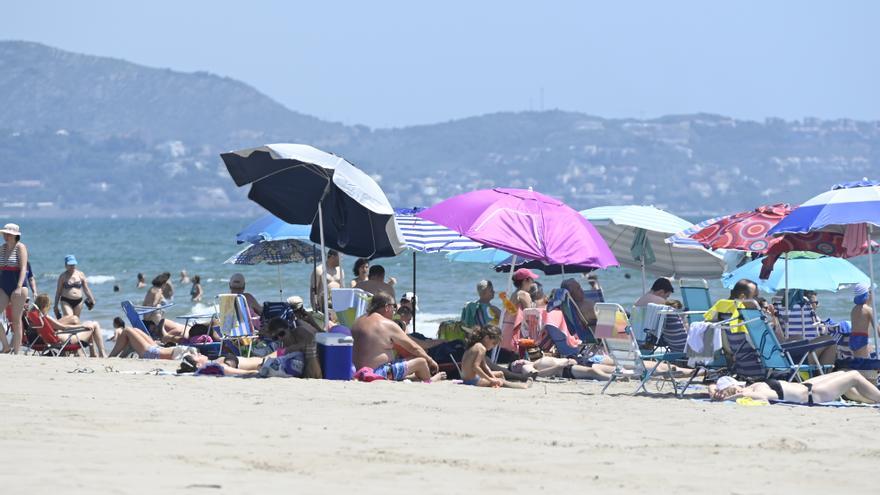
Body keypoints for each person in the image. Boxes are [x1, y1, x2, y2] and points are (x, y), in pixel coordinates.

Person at [351, 292, 444, 382]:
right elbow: (413, 348)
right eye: (394, 307)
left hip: (356, 371)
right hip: (378, 372)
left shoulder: (357, 321)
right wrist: (431, 361)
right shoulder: (387, 323)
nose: (394, 311)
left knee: (411, 360)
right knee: (421, 362)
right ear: (387, 307)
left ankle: (415, 377)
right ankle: (430, 380)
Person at [709, 371, 880, 405]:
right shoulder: (748, 392)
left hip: (807, 386)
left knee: (843, 374)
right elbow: (764, 399)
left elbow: (711, 386)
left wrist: (716, 392)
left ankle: (870, 401)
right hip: (814, 394)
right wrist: (728, 398)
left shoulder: (751, 386)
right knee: (854, 376)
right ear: (733, 387)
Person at [33, 293, 107, 357]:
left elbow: (57, 327)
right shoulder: (45, 317)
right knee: (94, 324)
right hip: (65, 340)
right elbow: (64, 328)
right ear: (45, 305)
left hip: (57, 339)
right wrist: (82, 326)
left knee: (87, 324)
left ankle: (93, 353)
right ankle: (102, 354)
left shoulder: (37, 316)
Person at [460, 326, 529, 388]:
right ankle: (522, 386)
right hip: (473, 381)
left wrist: (493, 377)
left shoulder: (475, 345)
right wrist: (490, 380)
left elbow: (485, 366)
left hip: (466, 379)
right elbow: (475, 367)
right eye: (493, 343)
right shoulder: (481, 348)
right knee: (500, 381)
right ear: (486, 338)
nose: (494, 346)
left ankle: (502, 386)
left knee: (500, 373)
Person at [0, 223, 28, 354]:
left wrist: (18, 287)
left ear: (15, 235)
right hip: (4, 285)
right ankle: (5, 346)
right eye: (5, 233)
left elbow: (23, 268)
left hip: (18, 286)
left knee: (16, 320)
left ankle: (17, 352)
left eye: (8, 234)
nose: (6, 236)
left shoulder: (20, 247)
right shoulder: (2, 248)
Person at [108, 326, 197, 360]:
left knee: (127, 330)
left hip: (152, 353)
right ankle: (126, 351)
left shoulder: (190, 346)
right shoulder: (192, 346)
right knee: (135, 329)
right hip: (159, 349)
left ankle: (111, 356)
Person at [508, 356, 614, 381]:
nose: (517, 363)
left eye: (515, 362)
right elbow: (537, 374)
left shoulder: (534, 360)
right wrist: (559, 366)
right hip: (565, 370)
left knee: (613, 364)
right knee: (592, 372)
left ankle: (624, 374)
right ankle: (612, 379)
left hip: (575, 360)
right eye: (515, 367)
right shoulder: (527, 367)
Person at [850, 283, 875, 359]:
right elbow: (878, 331)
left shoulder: (854, 309)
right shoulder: (868, 310)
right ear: (866, 295)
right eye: (870, 292)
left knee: (859, 361)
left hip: (853, 338)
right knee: (862, 366)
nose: (872, 294)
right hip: (862, 339)